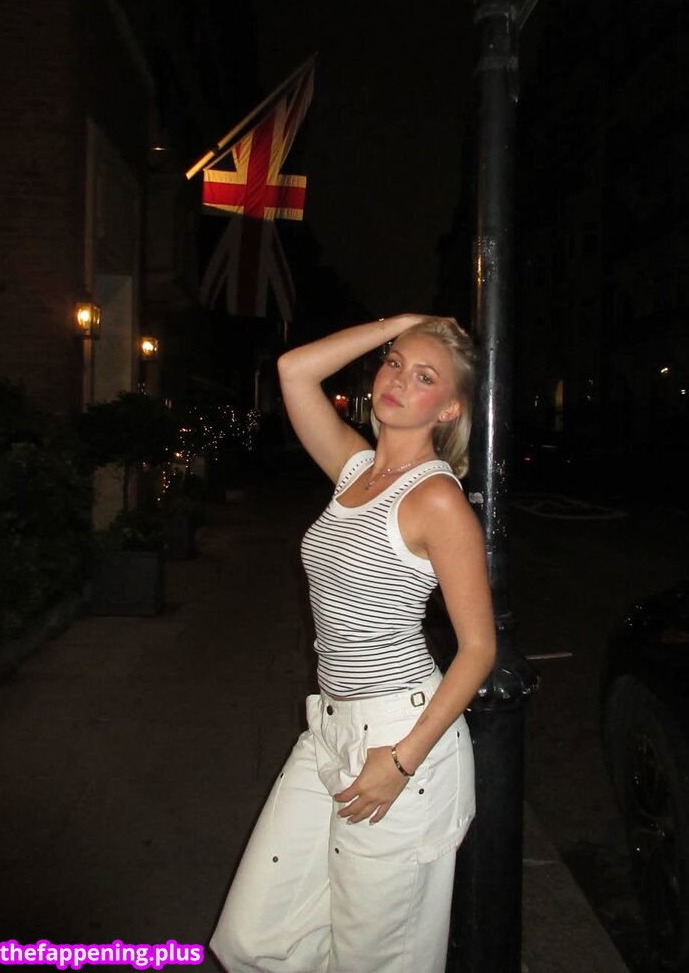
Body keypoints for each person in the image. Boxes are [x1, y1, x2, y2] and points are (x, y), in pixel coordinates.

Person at [210, 314, 496, 973]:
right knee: (256, 935)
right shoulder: (355, 469)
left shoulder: (436, 500)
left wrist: (401, 761)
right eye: (394, 363)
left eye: (424, 377)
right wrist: (403, 324)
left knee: (377, 958)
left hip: (400, 738)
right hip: (331, 729)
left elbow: (479, 648)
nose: (398, 380)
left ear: (449, 408)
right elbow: (293, 371)